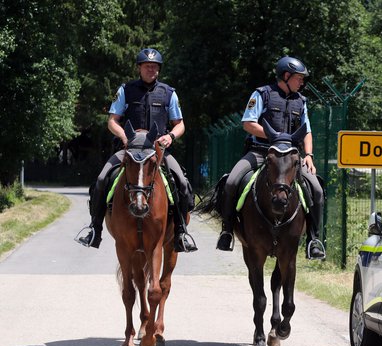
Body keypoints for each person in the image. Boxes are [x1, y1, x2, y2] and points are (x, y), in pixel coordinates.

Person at [75, 48, 197, 253]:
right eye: (148, 66)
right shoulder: (126, 90)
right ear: (139, 68)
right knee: (102, 179)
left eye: (155, 67)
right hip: (129, 150)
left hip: (157, 152)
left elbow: (180, 124)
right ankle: (94, 229)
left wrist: (170, 136)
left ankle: (181, 233)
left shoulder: (169, 93)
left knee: (182, 184)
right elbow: (112, 121)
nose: (152, 69)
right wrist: (124, 137)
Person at [216, 56, 326, 259]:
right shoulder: (262, 94)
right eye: (299, 78)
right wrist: (275, 136)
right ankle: (227, 231)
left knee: (317, 190)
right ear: (286, 76)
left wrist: (309, 155)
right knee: (231, 182)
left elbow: (307, 131)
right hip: (261, 152)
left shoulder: (301, 101)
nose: (302, 82)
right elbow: (248, 123)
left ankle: (314, 240)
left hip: (290, 157)